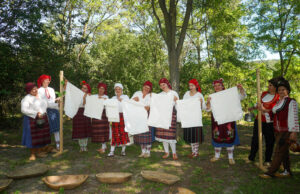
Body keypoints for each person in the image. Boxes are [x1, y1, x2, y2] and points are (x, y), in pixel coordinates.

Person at [260, 78, 299, 178]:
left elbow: (294, 117)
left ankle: (270, 172)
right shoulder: (278, 103)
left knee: (278, 151)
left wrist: (293, 132)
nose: (281, 91)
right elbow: (273, 116)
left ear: (288, 91)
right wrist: (264, 110)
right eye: (279, 90)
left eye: (283, 89)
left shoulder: (291, 102)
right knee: (284, 152)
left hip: (286, 131)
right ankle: (287, 171)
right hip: (277, 131)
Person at [206, 78, 246, 165]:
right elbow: (208, 110)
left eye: (219, 85)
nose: (217, 87)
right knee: (217, 136)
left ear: (222, 86)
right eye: (215, 86)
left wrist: (241, 89)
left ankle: (230, 157)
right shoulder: (212, 96)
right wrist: (208, 102)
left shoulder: (229, 95)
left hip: (228, 120)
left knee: (229, 136)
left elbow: (242, 97)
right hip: (217, 121)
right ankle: (217, 156)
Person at [248, 78, 279, 166]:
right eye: (268, 85)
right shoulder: (264, 94)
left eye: (270, 85)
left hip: (270, 122)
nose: (268, 87)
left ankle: (267, 160)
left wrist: (265, 110)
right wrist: (253, 107)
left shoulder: (278, 97)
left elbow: (275, 110)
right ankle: (251, 157)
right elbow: (258, 104)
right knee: (256, 139)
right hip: (259, 120)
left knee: (269, 140)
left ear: (275, 87)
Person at [21, 82, 52, 160]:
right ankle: (32, 154)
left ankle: (39, 151)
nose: (35, 90)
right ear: (29, 91)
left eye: (35, 88)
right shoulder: (27, 98)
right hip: (32, 119)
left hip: (42, 118)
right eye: (32, 89)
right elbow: (24, 110)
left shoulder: (41, 96)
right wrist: (35, 113)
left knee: (41, 136)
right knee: (32, 137)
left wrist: (57, 103)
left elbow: (47, 104)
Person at [155, 78, 179, 160]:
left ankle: (174, 153)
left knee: (171, 135)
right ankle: (166, 152)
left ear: (167, 84)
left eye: (163, 84)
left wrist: (177, 101)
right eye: (161, 85)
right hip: (161, 116)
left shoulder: (173, 93)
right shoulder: (159, 95)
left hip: (170, 115)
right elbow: (157, 106)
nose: (162, 86)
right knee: (163, 135)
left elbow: (178, 105)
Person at [182, 79, 206, 158]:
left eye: (192, 85)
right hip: (188, 117)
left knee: (195, 135)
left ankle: (196, 152)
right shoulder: (186, 94)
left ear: (196, 86)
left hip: (196, 118)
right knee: (191, 135)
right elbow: (183, 104)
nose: (190, 87)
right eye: (189, 85)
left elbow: (203, 107)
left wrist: (201, 102)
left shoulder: (199, 95)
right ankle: (193, 152)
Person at [37, 75, 60, 150]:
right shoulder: (39, 90)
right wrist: (55, 104)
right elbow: (42, 103)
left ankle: (58, 145)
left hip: (53, 109)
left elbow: (52, 100)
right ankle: (46, 145)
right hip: (45, 111)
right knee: (47, 128)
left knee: (56, 127)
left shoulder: (51, 89)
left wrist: (57, 100)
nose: (48, 81)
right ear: (42, 81)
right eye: (46, 80)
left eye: (48, 80)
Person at [108, 83, 130, 157]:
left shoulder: (125, 97)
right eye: (116, 89)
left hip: (123, 116)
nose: (118, 90)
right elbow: (108, 105)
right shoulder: (113, 98)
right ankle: (111, 151)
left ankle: (123, 151)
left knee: (123, 133)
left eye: (119, 89)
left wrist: (122, 101)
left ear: (122, 90)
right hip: (114, 117)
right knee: (115, 133)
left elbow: (129, 105)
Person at [132, 81, 154, 158]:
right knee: (140, 134)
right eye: (145, 87)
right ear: (143, 86)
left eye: (148, 88)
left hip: (147, 116)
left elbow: (149, 107)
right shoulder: (137, 93)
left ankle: (148, 152)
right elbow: (131, 102)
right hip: (138, 116)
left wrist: (140, 104)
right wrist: (135, 101)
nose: (147, 89)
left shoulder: (150, 96)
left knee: (147, 134)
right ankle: (143, 152)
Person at [72, 81, 92, 152]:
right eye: (83, 88)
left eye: (85, 88)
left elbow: (86, 105)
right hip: (78, 112)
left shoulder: (89, 96)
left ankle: (85, 146)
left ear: (87, 90)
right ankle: (81, 146)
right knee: (80, 130)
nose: (83, 89)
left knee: (85, 129)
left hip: (86, 112)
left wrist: (84, 98)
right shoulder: (77, 95)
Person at [91, 82, 110, 154]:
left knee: (103, 131)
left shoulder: (106, 97)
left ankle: (103, 148)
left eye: (103, 89)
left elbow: (108, 105)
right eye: (100, 88)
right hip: (96, 115)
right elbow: (91, 103)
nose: (101, 90)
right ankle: (104, 146)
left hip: (103, 115)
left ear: (104, 90)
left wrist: (104, 100)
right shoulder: (94, 96)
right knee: (98, 131)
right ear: (98, 89)